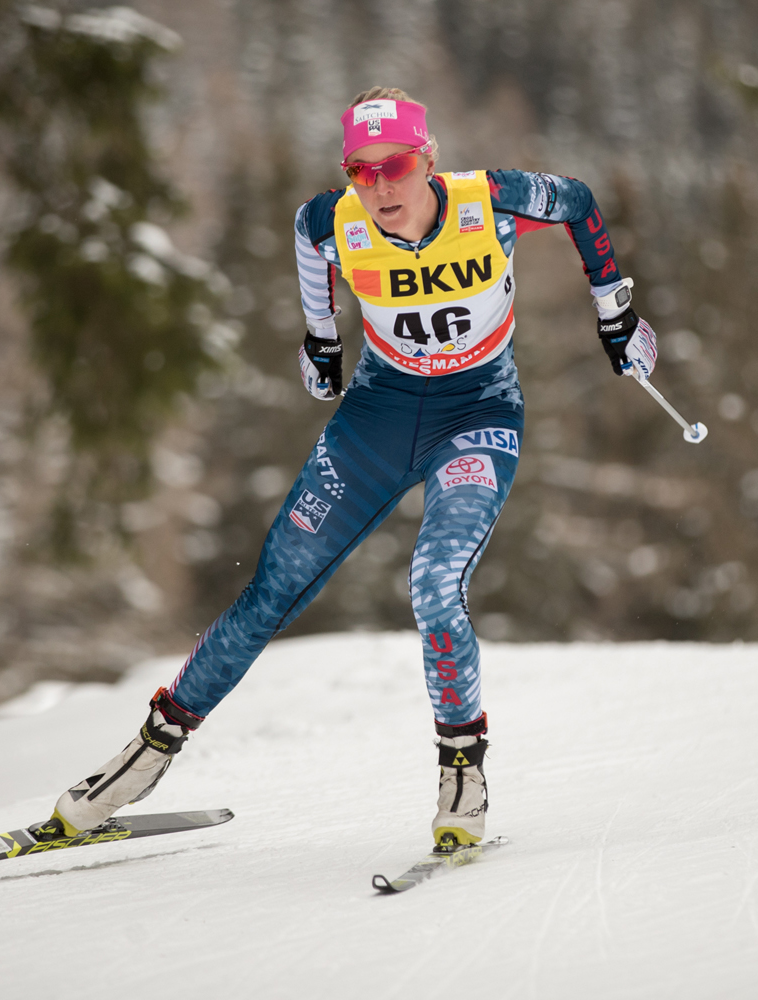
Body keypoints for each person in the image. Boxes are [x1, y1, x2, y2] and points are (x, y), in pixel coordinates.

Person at [40, 87, 657, 850]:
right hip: (377, 420)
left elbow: (579, 202)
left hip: (477, 417)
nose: (381, 187)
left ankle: (462, 776)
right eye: (361, 171)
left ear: (428, 159)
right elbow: (307, 240)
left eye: (395, 166)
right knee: (272, 590)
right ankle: (139, 761)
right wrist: (321, 338)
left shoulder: (490, 200)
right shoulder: (332, 220)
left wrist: (615, 311)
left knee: (435, 585)